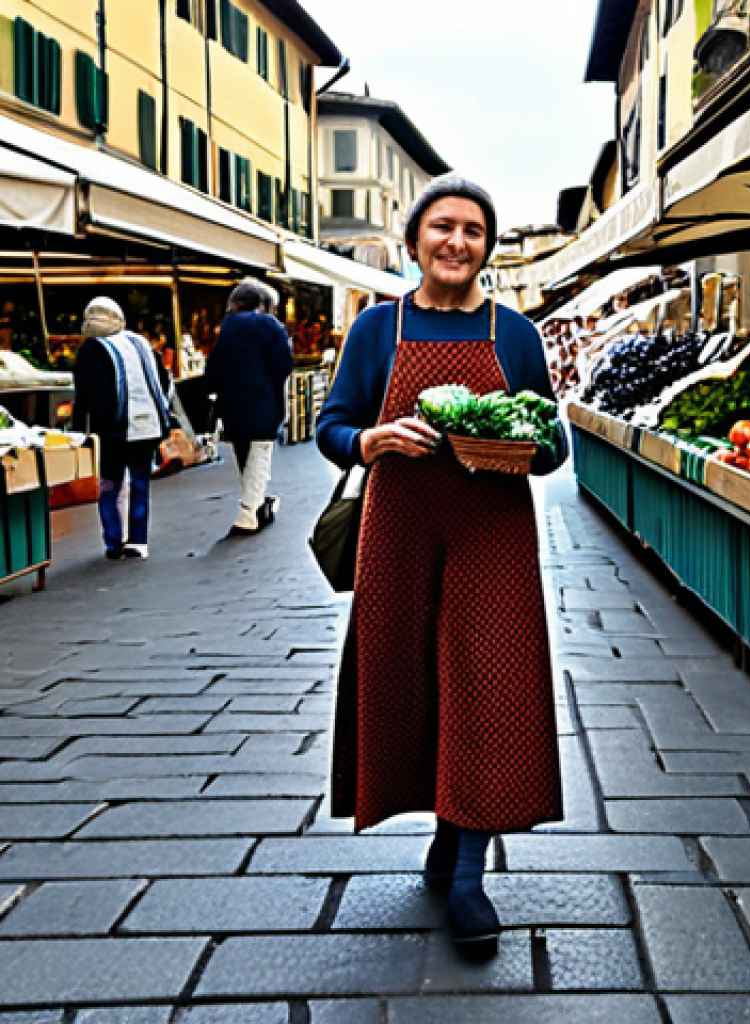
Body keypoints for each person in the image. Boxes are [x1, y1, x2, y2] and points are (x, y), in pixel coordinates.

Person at [316, 173, 567, 957]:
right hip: (398, 530)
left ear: (488, 248)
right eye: (443, 227)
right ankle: (440, 828)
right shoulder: (375, 331)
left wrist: (527, 448)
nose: (458, 242)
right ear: (415, 238)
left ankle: (466, 871)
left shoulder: (515, 334)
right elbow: (332, 425)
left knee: (488, 684)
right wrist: (372, 440)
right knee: (409, 679)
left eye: (474, 231)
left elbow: (553, 445)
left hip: (492, 533)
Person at [72, 297, 171, 560]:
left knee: (109, 484)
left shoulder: (92, 348)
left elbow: (84, 394)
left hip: (113, 429)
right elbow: (162, 379)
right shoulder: (139, 342)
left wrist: (79, 431)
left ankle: (113, 541)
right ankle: (138, 541)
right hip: (147, 426)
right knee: (140, 482)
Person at [204, 278, 294, 536]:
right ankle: (248, 513)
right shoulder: (270, 326)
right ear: (262, 303)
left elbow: (214, 369)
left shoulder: (227, 327)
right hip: (263, 402)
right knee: (260, 455)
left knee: (245, 456)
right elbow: (283, 365)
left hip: (232, 406)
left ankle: (256, 503)